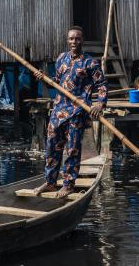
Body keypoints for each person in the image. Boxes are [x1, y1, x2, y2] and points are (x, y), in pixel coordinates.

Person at [33, 26, 106, 198]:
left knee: (72, 149)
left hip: (77, 111)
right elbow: (57, 83)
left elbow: (101, 85)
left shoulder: (90, 62)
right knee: (52, 147)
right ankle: (51, 182)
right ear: (67, 40)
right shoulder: (61, 59)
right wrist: (44, 79)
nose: (74, 42)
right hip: (58, 110)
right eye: (71, 39)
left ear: (82, 41)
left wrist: (100, 104)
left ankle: (68, 184)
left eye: (77, 39)